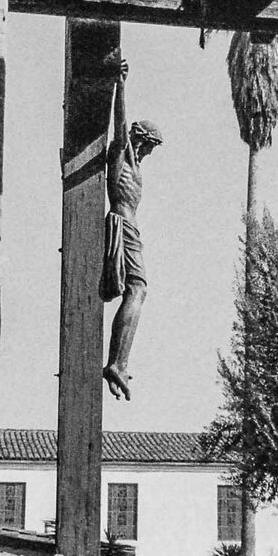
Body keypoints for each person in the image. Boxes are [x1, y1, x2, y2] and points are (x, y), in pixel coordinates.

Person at [100, 61, 162, 400]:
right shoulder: (121, 154)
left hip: (131, 228)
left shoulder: (136, 166)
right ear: (142, 140)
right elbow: (120, 123)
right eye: (151, 145)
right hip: (122, 224)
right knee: (137, 289)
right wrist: (120, 84)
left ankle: (119, 362)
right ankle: (117, 363)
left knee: (138, 291)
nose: (151, 151)